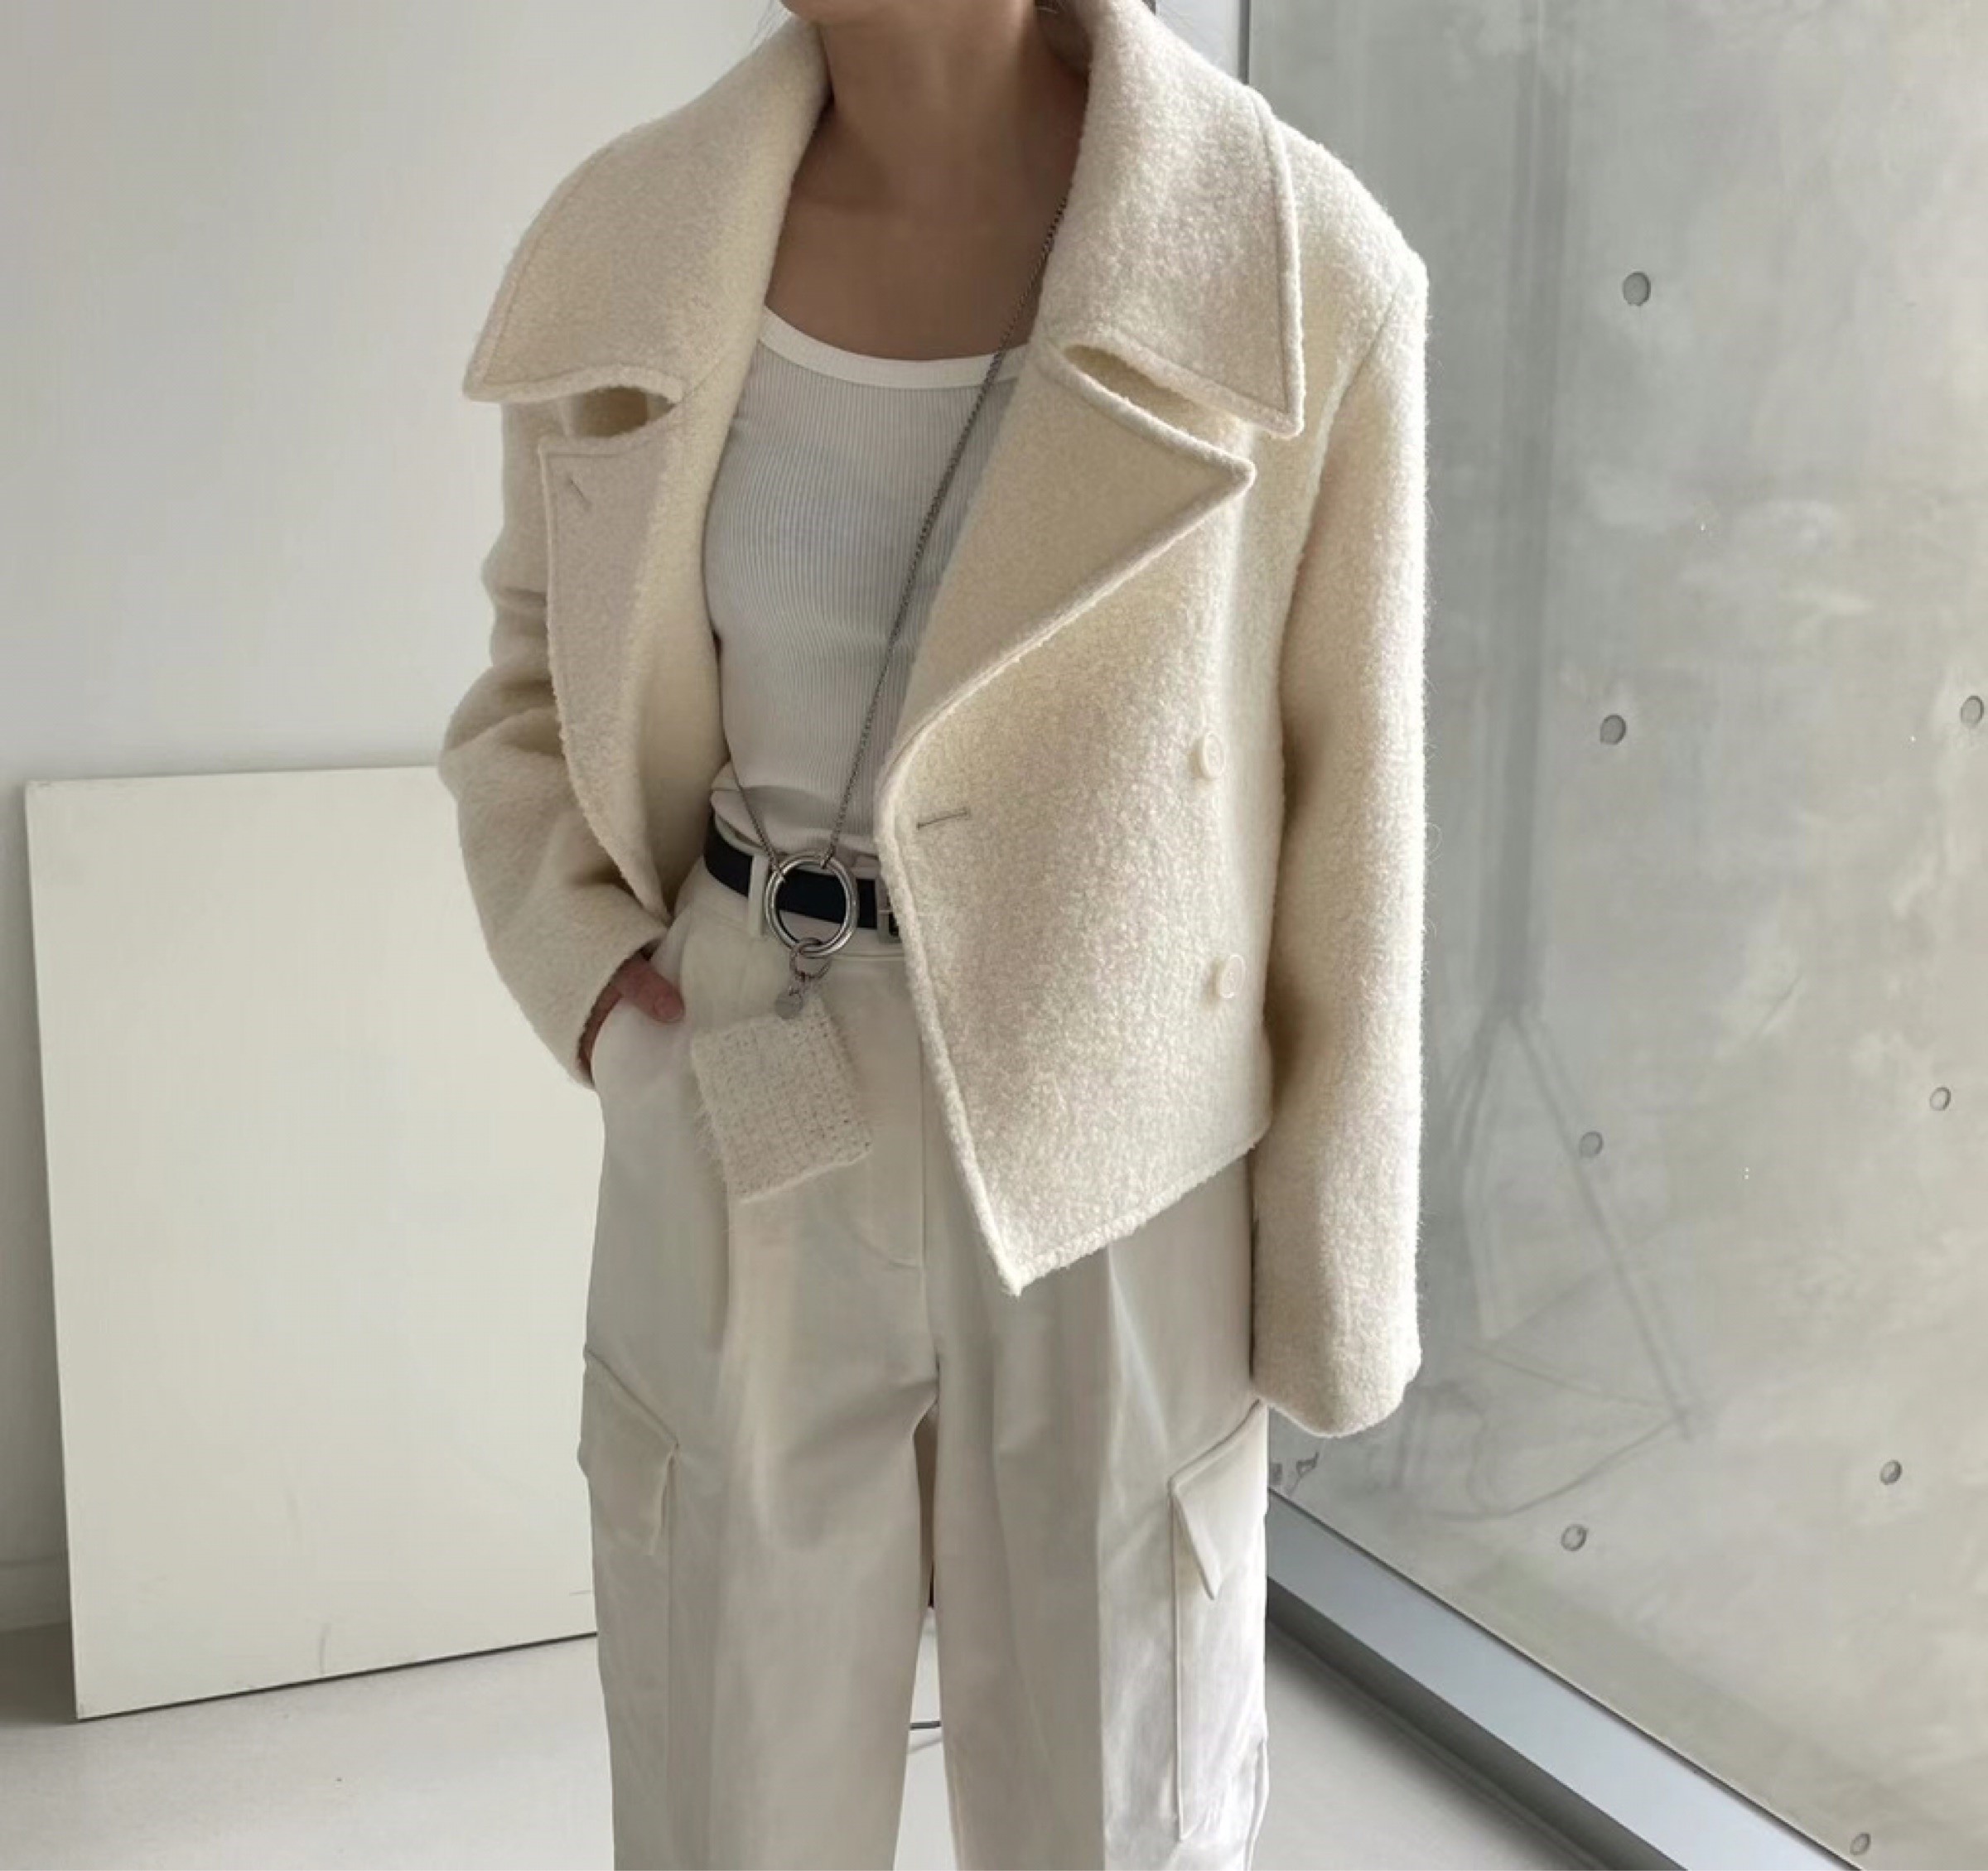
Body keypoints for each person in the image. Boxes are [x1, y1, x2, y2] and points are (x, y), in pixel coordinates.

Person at [439, 0, 1431, 1864]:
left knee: (1117, 1796)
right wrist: (600, 997)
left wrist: (1330, 1262)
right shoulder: (634, 239)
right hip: (741, 1059)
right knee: (729, 1776)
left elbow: (1351, 811)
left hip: (1114, 1128)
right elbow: (527, 688)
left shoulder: (1296, 263)